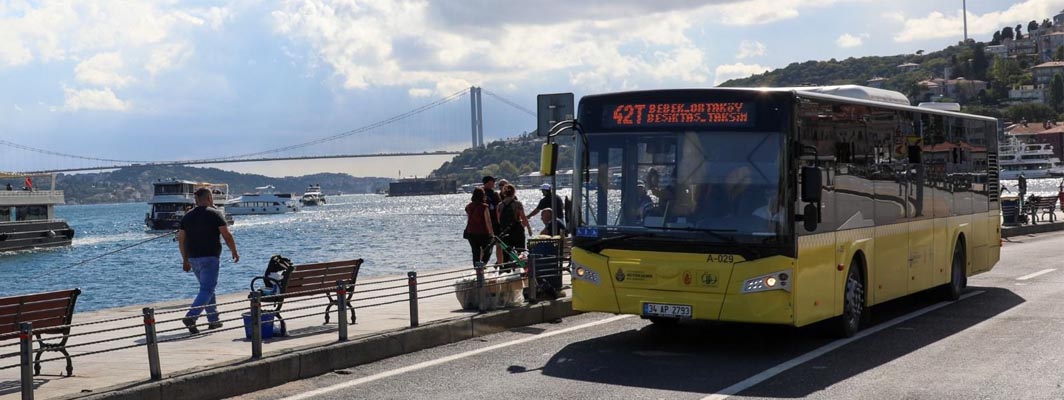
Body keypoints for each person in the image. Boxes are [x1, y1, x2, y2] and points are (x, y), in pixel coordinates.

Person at [177, 188, 239, 334]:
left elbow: (181, 240)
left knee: (207, 288)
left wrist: (185, 260)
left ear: (196, 200)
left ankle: (213, 320)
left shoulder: (187, 216)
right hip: (210, 257)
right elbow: (227, 235)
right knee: (207, 289)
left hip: (193, 258)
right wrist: (234, 251)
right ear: (210, 197)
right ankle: (191, 317)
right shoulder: (215, 213)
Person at [498, 185, 532, 264]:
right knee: (521, 251)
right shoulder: (517, 204)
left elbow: (499, 220)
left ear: (504, 193)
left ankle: (506, 270)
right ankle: (521, 268)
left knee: (506, 252)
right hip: (517, 229)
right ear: (514, 192)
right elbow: (523, 217)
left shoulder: (500, 205)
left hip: (505, 231)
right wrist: (529, 229)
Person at [464, 187, 494, 268]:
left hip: (471, 232)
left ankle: (477, 270)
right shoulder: (484, 207)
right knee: (488, 251)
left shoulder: (468, 206)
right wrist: (491, 233)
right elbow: (488, 221)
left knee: (475, 252)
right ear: (482, 196)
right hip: (483, 232)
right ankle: (483, 264)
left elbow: (468, 219)